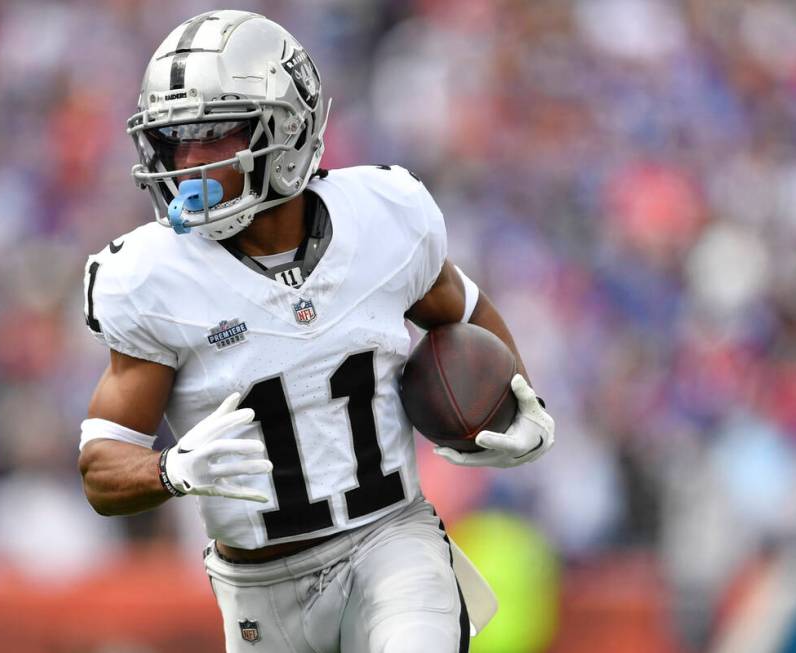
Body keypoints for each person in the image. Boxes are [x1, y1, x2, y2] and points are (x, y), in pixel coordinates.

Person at [78, 10, 554, 652]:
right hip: (258, 588)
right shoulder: (151, 279)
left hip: (390, 544)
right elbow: (101, 466)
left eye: (216, 136)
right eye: (175, 142)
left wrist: (515, 403)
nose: (188, 164)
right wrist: (169, 469)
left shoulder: (385, 218)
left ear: (289, 129)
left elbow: (464, 313)